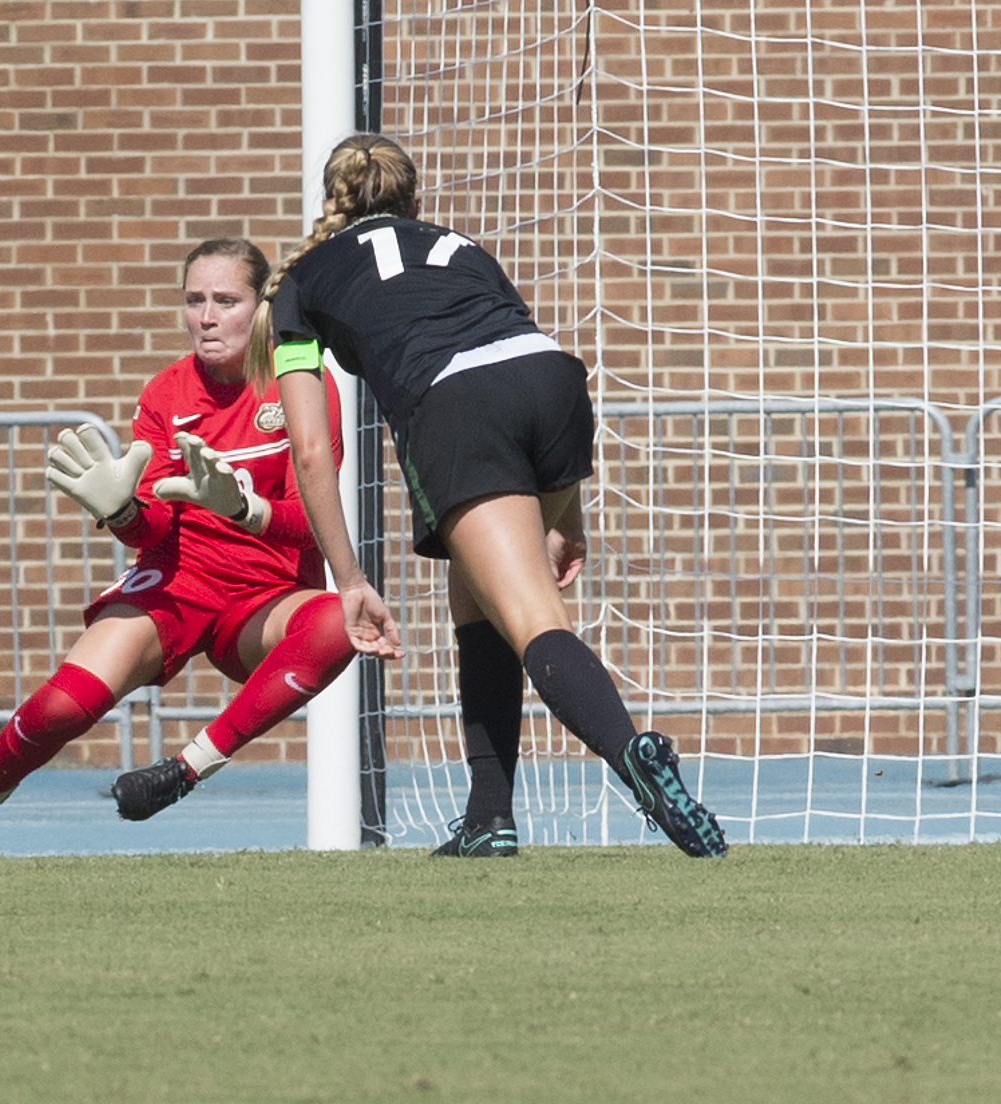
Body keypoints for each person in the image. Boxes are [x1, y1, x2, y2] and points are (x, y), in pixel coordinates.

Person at [248, 133, 727, 858]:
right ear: (415, 201)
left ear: (329, 201)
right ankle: (488, 815)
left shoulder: (301, 280)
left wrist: (348, 580)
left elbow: (311, 451)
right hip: (555, 385)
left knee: (533, 618)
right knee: (474, 592)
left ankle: (635, 756)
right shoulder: (460, 246)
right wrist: (569, 515)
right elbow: (520, 351)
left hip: (459, 405)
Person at [0, 238, 356, 856]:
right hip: (179, 581)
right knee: (64, 708)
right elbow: (152, 529)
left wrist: (244, 509)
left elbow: (313, 526)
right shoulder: (167, 393)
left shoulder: (303, 385)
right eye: (194, 301)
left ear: (261, 307)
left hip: (265, 599)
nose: (207, 317)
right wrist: (121, 510)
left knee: (339, 623)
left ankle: (186, 769)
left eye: (226, 300)